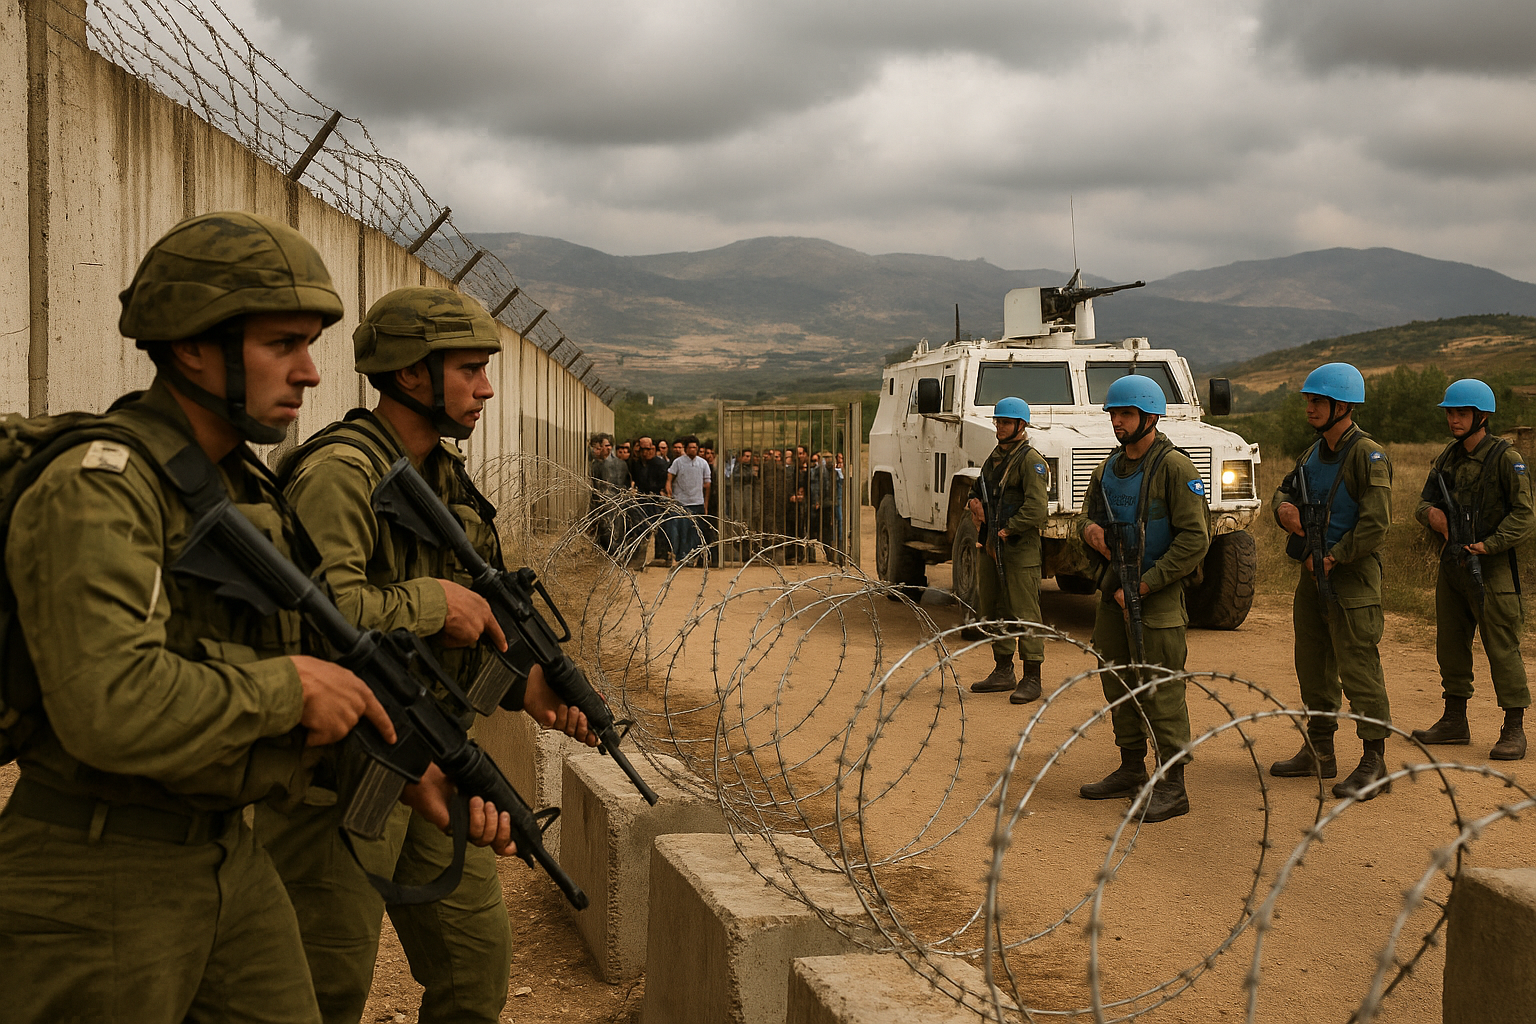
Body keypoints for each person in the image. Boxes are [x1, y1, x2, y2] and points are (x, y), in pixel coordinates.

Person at [0, 211, 484, 1022]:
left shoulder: (240, 488)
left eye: (310, 345)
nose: (311, 373)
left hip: (227, 851)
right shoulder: (101, 485)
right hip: (96, 872)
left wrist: (406, 771)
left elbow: (293, 656)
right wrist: (289, 689)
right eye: (282, 345)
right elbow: (107, 704)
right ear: (193, 347)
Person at [254, 285, 597, 1024]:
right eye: (469, 369)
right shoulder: (339, 474)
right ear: (411, 373)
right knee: (322, 987)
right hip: (340, 775)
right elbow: (313, 617)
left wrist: (527, 687)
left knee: (476, 968)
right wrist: (434, 604)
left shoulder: (441, 475)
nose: (486, 388)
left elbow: (469, 632)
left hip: (435, 756)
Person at [1076, 375, 1210, 822]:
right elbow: (1085, 517)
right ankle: (1131, 768)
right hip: (1114, 590)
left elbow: (1194, 540)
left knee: (1161, 688)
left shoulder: (1174, 468)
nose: (1117, 421)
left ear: (1151, 417)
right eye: (1114, 414)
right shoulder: (1108, 468)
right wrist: (1090, 532)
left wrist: (1147, 584)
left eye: (1127, 414)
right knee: (1116, 679)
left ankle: (1173, 785)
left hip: (1156, 596)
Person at [1269, 362, 1395, 800]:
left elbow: (1376, 523)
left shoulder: (1367, 455)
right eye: (1308, 400)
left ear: (1343, 405)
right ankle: (1319, 749)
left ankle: (1374, 760)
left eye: (1318, 401)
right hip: (1312, 574)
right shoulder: (1311, 454)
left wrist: (1335, 556)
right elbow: (1284, 492)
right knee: (1313, 662)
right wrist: (1283, 511)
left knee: (1358, 665)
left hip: (1352, 577)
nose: (1309, 407)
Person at [1411, 378, 1531, 760]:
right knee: (1450, 645)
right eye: (1450, 412)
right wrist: (1433, 516)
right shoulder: (1448, 457)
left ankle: (1514, 728)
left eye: (1461, 413)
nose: (1453, 419)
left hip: (1491, 568)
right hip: (1453, 564)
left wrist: (1489, 545)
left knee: (1502, 648)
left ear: (1482, 416)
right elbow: (1423, 503)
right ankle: (1454, 720)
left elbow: (1525, 515)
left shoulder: (1505, 458)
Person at [966, 397, 1050, 704]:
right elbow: (977, 489)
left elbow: (1037, 508)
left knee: (1025, 612)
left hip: (1018, 548)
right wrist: (974, 504)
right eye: (998, 422)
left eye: (1005, 422)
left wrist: (1009, 528)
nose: (999, 427)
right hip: (992, 545)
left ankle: (1032, 676)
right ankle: (1003, 669)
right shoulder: (995, 458)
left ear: (1020, 425)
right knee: (994, 606)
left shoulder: (1030, 461)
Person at [665, 435, 712, 565]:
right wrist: (669, 495)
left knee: (695, 533)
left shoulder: (703, 463)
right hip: (681, 502)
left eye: (695, 448)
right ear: (686, 449)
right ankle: (679, 556)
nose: (693, 450)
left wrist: (705, 504)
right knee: (681, 531)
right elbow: (669, 479)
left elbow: (707, 485)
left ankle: (691, 557)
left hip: (697, 502)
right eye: (690, 447)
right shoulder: (678, 462)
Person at [632, 436, 671, 566]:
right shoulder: (636, 464)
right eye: (642, 449)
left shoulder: (660, 464)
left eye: (647, 449)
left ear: (653, 449)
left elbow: (663, 481)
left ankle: (661, 556)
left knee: (660, 528)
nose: (645, 452)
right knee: (641, 528)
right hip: (642, 499)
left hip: (656, 499)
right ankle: (640, 557)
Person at [729, 447, 761, 563]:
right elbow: (734, 478)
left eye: (750, 456)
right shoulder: (737, 468)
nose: (748, 459)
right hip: (740, 502)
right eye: (746, 456)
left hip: (750, 502)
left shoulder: (752, 468)